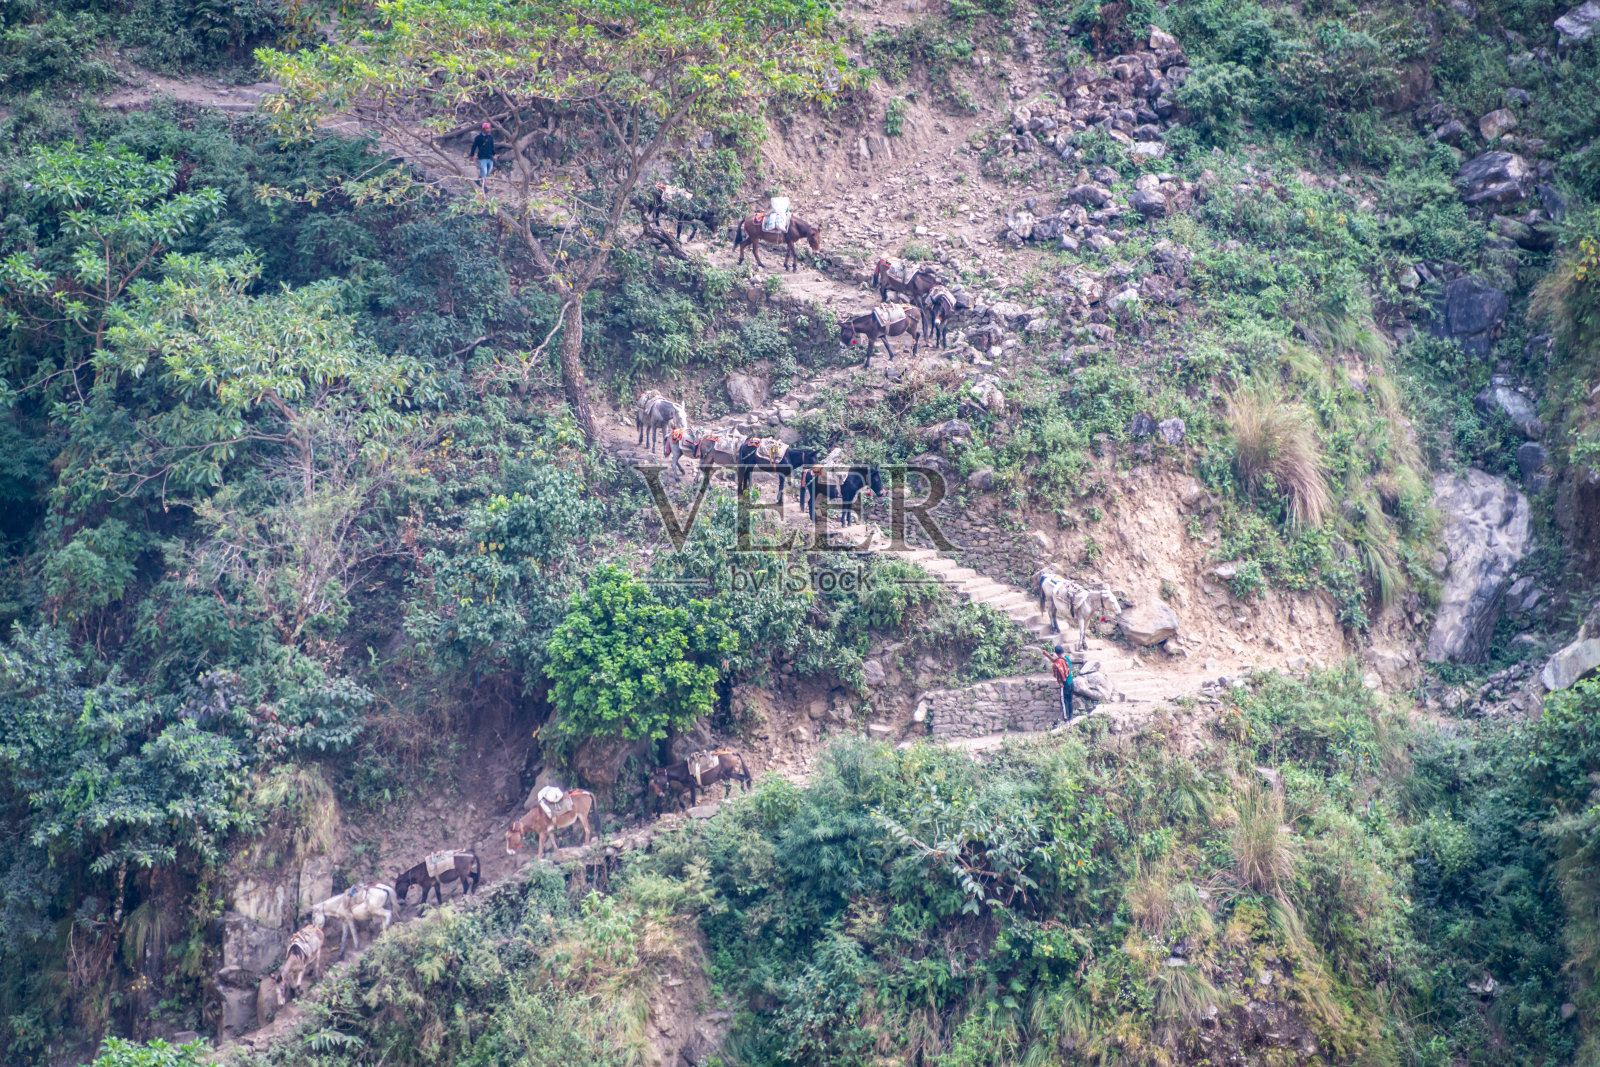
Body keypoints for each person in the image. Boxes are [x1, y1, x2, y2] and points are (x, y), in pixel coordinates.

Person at [1039, 645, 1075, 724]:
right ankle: (1071, 717)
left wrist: (1061, 683)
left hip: (1064, 685)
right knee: (1069, 700)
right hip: (1071, 683)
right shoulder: (1066, 658)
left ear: (1056, 653)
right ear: (1063, 651)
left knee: (1064, 702)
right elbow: (1056, 661)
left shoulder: (1058, 662)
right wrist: (1047, 655)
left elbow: (1056, 663)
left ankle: (1066, 720)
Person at [469, 121, 496, 188]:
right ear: (483, 129)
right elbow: (474, 146)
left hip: (489, 157)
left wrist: (494, 154)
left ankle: (478, 180)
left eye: (489, 128)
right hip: (482, 157)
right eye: (487, 128)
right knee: (484, 171)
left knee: (489, 171)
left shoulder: (490, 137)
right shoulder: (479, 137)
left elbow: (492, 146)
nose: (489, 130)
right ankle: (484, 186)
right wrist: (471, 155)